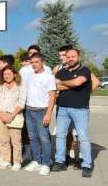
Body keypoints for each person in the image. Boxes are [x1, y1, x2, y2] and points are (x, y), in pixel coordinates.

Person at [51, 49, 94, 178]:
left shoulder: (84, 70)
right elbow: (54, 85)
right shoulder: (61, 71)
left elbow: (78, 82)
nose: (70, 58)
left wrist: (63, 83)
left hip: (80, 109)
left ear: (78, 57)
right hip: (63, 108)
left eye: (73, 56)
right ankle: (60, 162)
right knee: (60, 136)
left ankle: (87, 164)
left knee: (83, 137)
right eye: (68, 56)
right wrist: (71, 84)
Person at [23, 53, 56, 176]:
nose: (34, 64)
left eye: (37, 62)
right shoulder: (29, 76)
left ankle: (46, 163)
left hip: (41, 111)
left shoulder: (49, 77)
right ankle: (36, 160)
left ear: (42, 62)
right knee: (32, 137)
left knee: (44, 139)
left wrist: (48, 114)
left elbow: (52, 97)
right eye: (32, 62)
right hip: (29, 110)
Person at [0, 66, 27, 171]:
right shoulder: (0, 87)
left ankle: (17, 161)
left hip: (15, 116)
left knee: (16, 141)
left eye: (9, 74)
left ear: (14, 74)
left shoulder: (21, 86)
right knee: (3, 140)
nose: (7, 76)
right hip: (0, 116)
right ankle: (6, 160)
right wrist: (1, 115)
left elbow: (21, 104)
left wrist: (11, 116)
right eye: (5, 74)